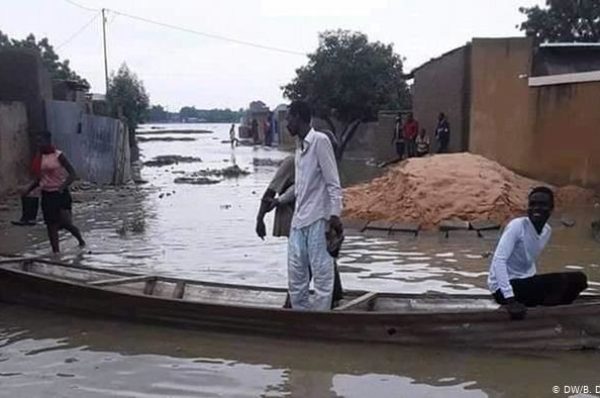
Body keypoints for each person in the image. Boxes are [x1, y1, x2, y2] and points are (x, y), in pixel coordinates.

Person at [255, 135, 344, 308]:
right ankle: (293, 306)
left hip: (314, 220)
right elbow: (270, 193)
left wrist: (334, 215)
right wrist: (260, 218)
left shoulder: (323, 163)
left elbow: (331, 190)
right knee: (304, 266)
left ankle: (333, 300)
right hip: (294, 220)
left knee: (322, 262)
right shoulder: (292, 163)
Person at [488, 186, 588, 320]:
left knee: (579, 280)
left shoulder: (547, 231)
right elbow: (499, 261)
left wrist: (536, 280)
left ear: (551, 209)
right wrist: (510, 300)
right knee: (560, 284)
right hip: (503, 289)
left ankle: (547, 310)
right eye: (532, 204)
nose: (536, 208)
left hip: (525, 283)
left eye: (542, 205)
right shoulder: (517, 226)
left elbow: (529, 261)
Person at [285, 100, 343, 311]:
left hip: (318, 219)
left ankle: (320, 317)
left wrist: (335, 216)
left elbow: (333, 183)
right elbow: (301, 187)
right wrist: (280, 200)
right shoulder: (299, 148)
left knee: (321, 273)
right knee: (296, 273)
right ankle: (301, 316)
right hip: (299, 220)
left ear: (299, 117)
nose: (286, 123)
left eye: (288, 117)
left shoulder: (320, 141)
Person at [22, 131, 86, 253]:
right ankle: (56, 254)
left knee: (66, 222)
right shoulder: (39, 158)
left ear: (48, 141)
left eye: (41, 141)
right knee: (51, 226)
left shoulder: (58, 155)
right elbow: (39, 179)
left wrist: (62, 186)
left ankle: (80, 240)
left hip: (61, 193)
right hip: (47, 194)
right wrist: (28, 190)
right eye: (37, 141)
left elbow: (72, 173)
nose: (38, 144)